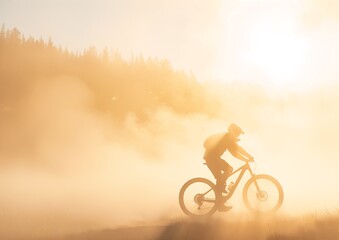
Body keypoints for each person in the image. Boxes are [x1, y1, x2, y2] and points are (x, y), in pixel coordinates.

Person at [203, 123, 254, 211]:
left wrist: (249, 156)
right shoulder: (226, 138)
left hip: (213, 158)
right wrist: (246, 159)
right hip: (211, 159)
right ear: (233, 132)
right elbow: (235, 153)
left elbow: (239, 149)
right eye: (237, 133)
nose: (238, 135)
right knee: (223, 176)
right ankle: (219, 204)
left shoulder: (228, 138)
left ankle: (221, 189)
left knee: (227, 171)